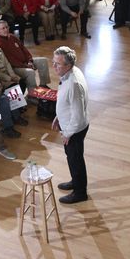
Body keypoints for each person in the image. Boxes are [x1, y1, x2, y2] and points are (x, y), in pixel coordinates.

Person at [51, 47, 90, 204]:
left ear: (68, 65)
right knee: (72, 157)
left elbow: (78, 115)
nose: (54, 67)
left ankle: (80, 192)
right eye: (53, 62)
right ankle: (76, 181)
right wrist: (58, 116)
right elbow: (66, 103)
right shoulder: (69, 73)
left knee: (76, 159)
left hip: (74, 130)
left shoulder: (73, 83)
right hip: (68, 125)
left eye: (58, 64)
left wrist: (67, 133)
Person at [0, 20, 52, 88]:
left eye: (7, 27)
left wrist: (29, 60)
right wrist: (26, 66)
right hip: (15, 68)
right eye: (3, 28)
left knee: (43, 61)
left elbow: (23, 49)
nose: (6, 29)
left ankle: (43, 85)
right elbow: (10, 61)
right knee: (30, 72)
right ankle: (32, 94)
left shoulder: (12, 37)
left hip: (25, 63)